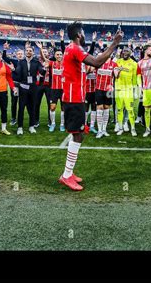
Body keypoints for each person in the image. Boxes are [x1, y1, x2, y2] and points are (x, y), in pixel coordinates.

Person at [58, 21, 123, 191]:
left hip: (75, 98)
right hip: (74, 99)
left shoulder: (72, 48)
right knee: (78, 136)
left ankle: (68, 173)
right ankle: (66, 175)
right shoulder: (75, 48)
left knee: (78, 135)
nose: (85, 36)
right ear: (79, 35)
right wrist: (114, 43)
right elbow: (96, 62)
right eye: (84, 33)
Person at [14, 42, 47, 135]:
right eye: (27, 51)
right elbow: (18, 73)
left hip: (33, 87)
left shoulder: (36, 62)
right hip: (23, 87)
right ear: (25, 52)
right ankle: (20, 127)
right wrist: (14, 70)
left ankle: (31, 126)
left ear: (33, 52)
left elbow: (41, 71)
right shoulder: (21, 61)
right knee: (21, 107)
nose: (28, 52)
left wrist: (44, 69)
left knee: (32, 107)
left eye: (30, 51)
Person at [114, 47, 138, 137]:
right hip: (118, 89)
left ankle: (133, 129)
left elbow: (135, 78)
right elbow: (115, 75)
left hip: (128, 90)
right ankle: (120, 128)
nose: (125, 52)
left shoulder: (134, 64)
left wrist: (135, 91)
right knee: (119, 110)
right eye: (124, 51)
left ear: (130, 53)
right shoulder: (118, 61)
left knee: (130, 110)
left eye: (127, 51)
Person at [94, 52, 118, 138]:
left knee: (107, 108)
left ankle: (104, 129)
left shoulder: (114, 64)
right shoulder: (99, 63)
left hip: (108, 90)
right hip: (99, 88)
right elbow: (91, 69)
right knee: (99, 108)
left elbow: (116, 76)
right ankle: (100, 130)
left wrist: (117, 72)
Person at [3, 42, 24, 126]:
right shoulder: (14, 61)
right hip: (15, 85)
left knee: (23, 102)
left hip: (23, 85)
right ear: (16, 55)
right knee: (14, 102)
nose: (20, 55)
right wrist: (5, 49)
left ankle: (20, 118)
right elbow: (4, 57)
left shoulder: (26, 62)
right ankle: (13, 118)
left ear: (24, 54)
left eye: (21, 54)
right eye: (18, 54)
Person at [48, 49, 65, 132]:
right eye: (57, 54)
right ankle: (53, 124)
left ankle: (62, 124)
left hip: (63, 89)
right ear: (54, 56)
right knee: (52, 107)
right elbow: (44, 59)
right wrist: (41, 49)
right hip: (54, 89)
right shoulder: (52, 63)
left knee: (63, 108)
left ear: (62, 56)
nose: (59, 56)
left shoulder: (66, 64)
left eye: (60, 54)